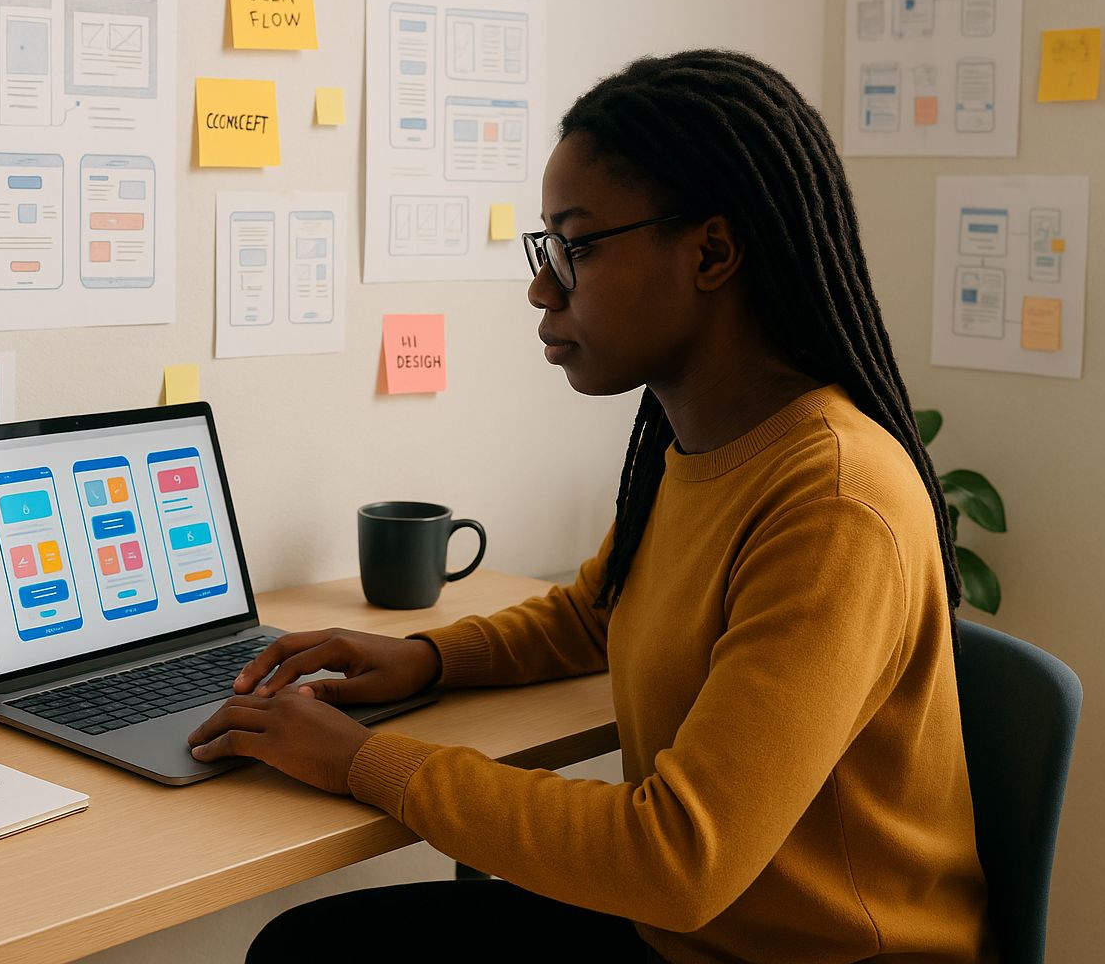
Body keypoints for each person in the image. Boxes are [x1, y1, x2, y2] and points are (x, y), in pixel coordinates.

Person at [187, 49, 994, 963]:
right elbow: (596, 614)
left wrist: (358, 760)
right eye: (545, 247)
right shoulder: (694, 441)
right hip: (700, 936)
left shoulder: (835, 501)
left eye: (575, 246)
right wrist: (423, 659)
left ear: (712, 253)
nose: (541, 286)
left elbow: (677, 858)